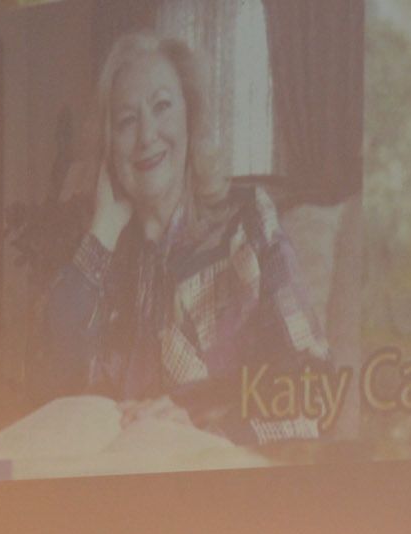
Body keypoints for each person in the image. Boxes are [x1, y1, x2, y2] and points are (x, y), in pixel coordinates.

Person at [43, 31, 328, 444]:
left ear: (190, 119)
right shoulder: (102, 251)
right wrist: (103, 227)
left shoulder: (245, 221)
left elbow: (313, 384)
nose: (146, 135)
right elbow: (56, 378)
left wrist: (203, 425)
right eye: (126, 121)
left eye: (162, 107)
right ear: (110, 148)